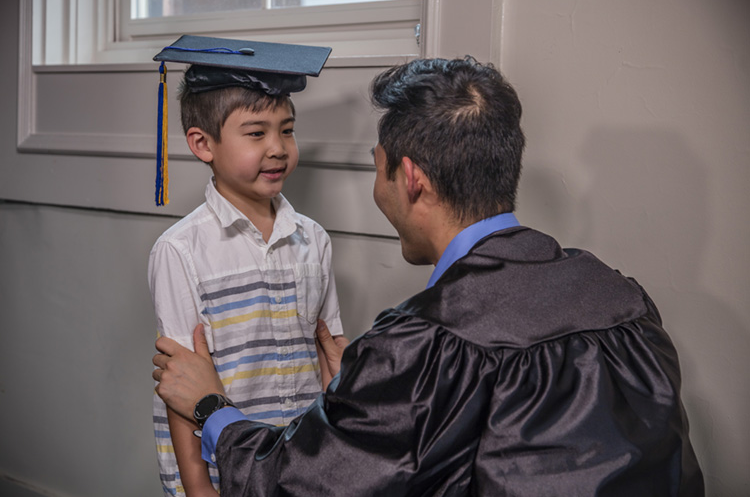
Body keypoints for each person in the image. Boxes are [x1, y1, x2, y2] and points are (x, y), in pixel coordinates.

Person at [153, 56, 704, 496]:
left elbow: (301, 482)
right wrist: (367, 397)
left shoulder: (422, 347)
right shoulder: (621, 299)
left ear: (410, 178)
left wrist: (211, 409)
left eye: (378, 167)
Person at [148, 35, 344, 497]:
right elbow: (180, 384)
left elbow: (328, 353)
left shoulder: (313, 240)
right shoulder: (182, 250)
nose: (277, 147)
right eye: (257, 133)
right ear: (203, 143)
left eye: (287, 130)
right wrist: (199, 489)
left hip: (298, 462)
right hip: (221, 471)